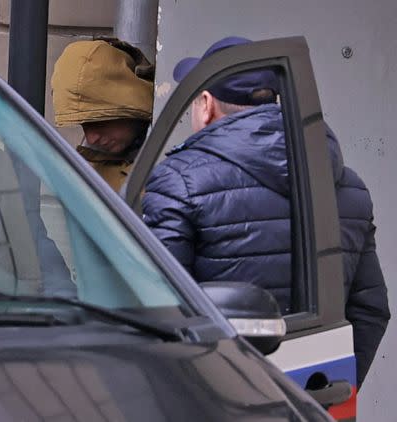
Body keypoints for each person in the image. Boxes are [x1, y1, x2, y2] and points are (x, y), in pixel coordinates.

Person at [142, 36, 390, 387]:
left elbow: (157, 312)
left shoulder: (178, 182)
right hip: (307, 401)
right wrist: (326, 392)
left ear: (206, 103)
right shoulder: (348, 188)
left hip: (214, 399)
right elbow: (370, 310)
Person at [51, 37, 154, 192]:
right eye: (84, 124)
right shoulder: (87, 170)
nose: (92, 138)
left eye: (98, 121)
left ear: (128, 101)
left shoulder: (175, 157)